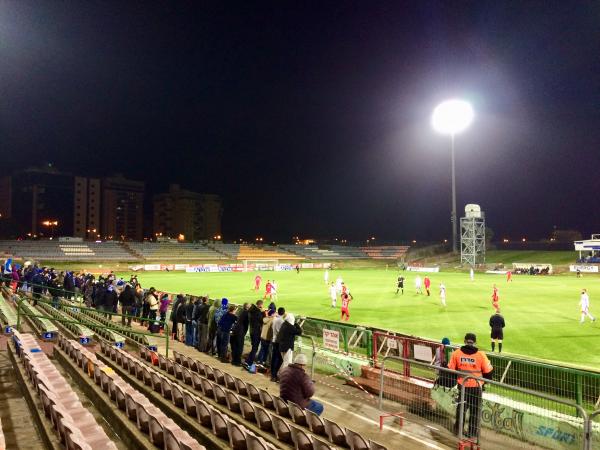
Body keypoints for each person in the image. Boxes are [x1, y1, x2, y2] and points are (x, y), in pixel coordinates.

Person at [448, 333, 493, 438]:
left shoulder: (456, 353)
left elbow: (450, 370)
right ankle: (472, 432)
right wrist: (484, 383)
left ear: (464, 341)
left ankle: (458, 430)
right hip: (477, 387)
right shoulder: (481, 355)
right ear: (475, 342)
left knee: (461, 408)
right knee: (475, 410)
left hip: (462, 386)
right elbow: (488, 372)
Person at [245, 300, 265, 367]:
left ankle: (248, 361)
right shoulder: (257, 312)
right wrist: (263, 313)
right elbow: (262, 321)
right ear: (260, 305)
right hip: (256, 332)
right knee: (255, 348)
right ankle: (249, 362)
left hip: (252, 331)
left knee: (254, 347)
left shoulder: (251, 311)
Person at [270, 307, 285, 381]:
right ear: (284, 313)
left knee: (274, 358)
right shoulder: (281, 321)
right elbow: (281, 332)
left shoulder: (275, 319)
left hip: (274, 340)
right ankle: (274, 375)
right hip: (278, 341)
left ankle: (272, 374)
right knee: (279, 359)